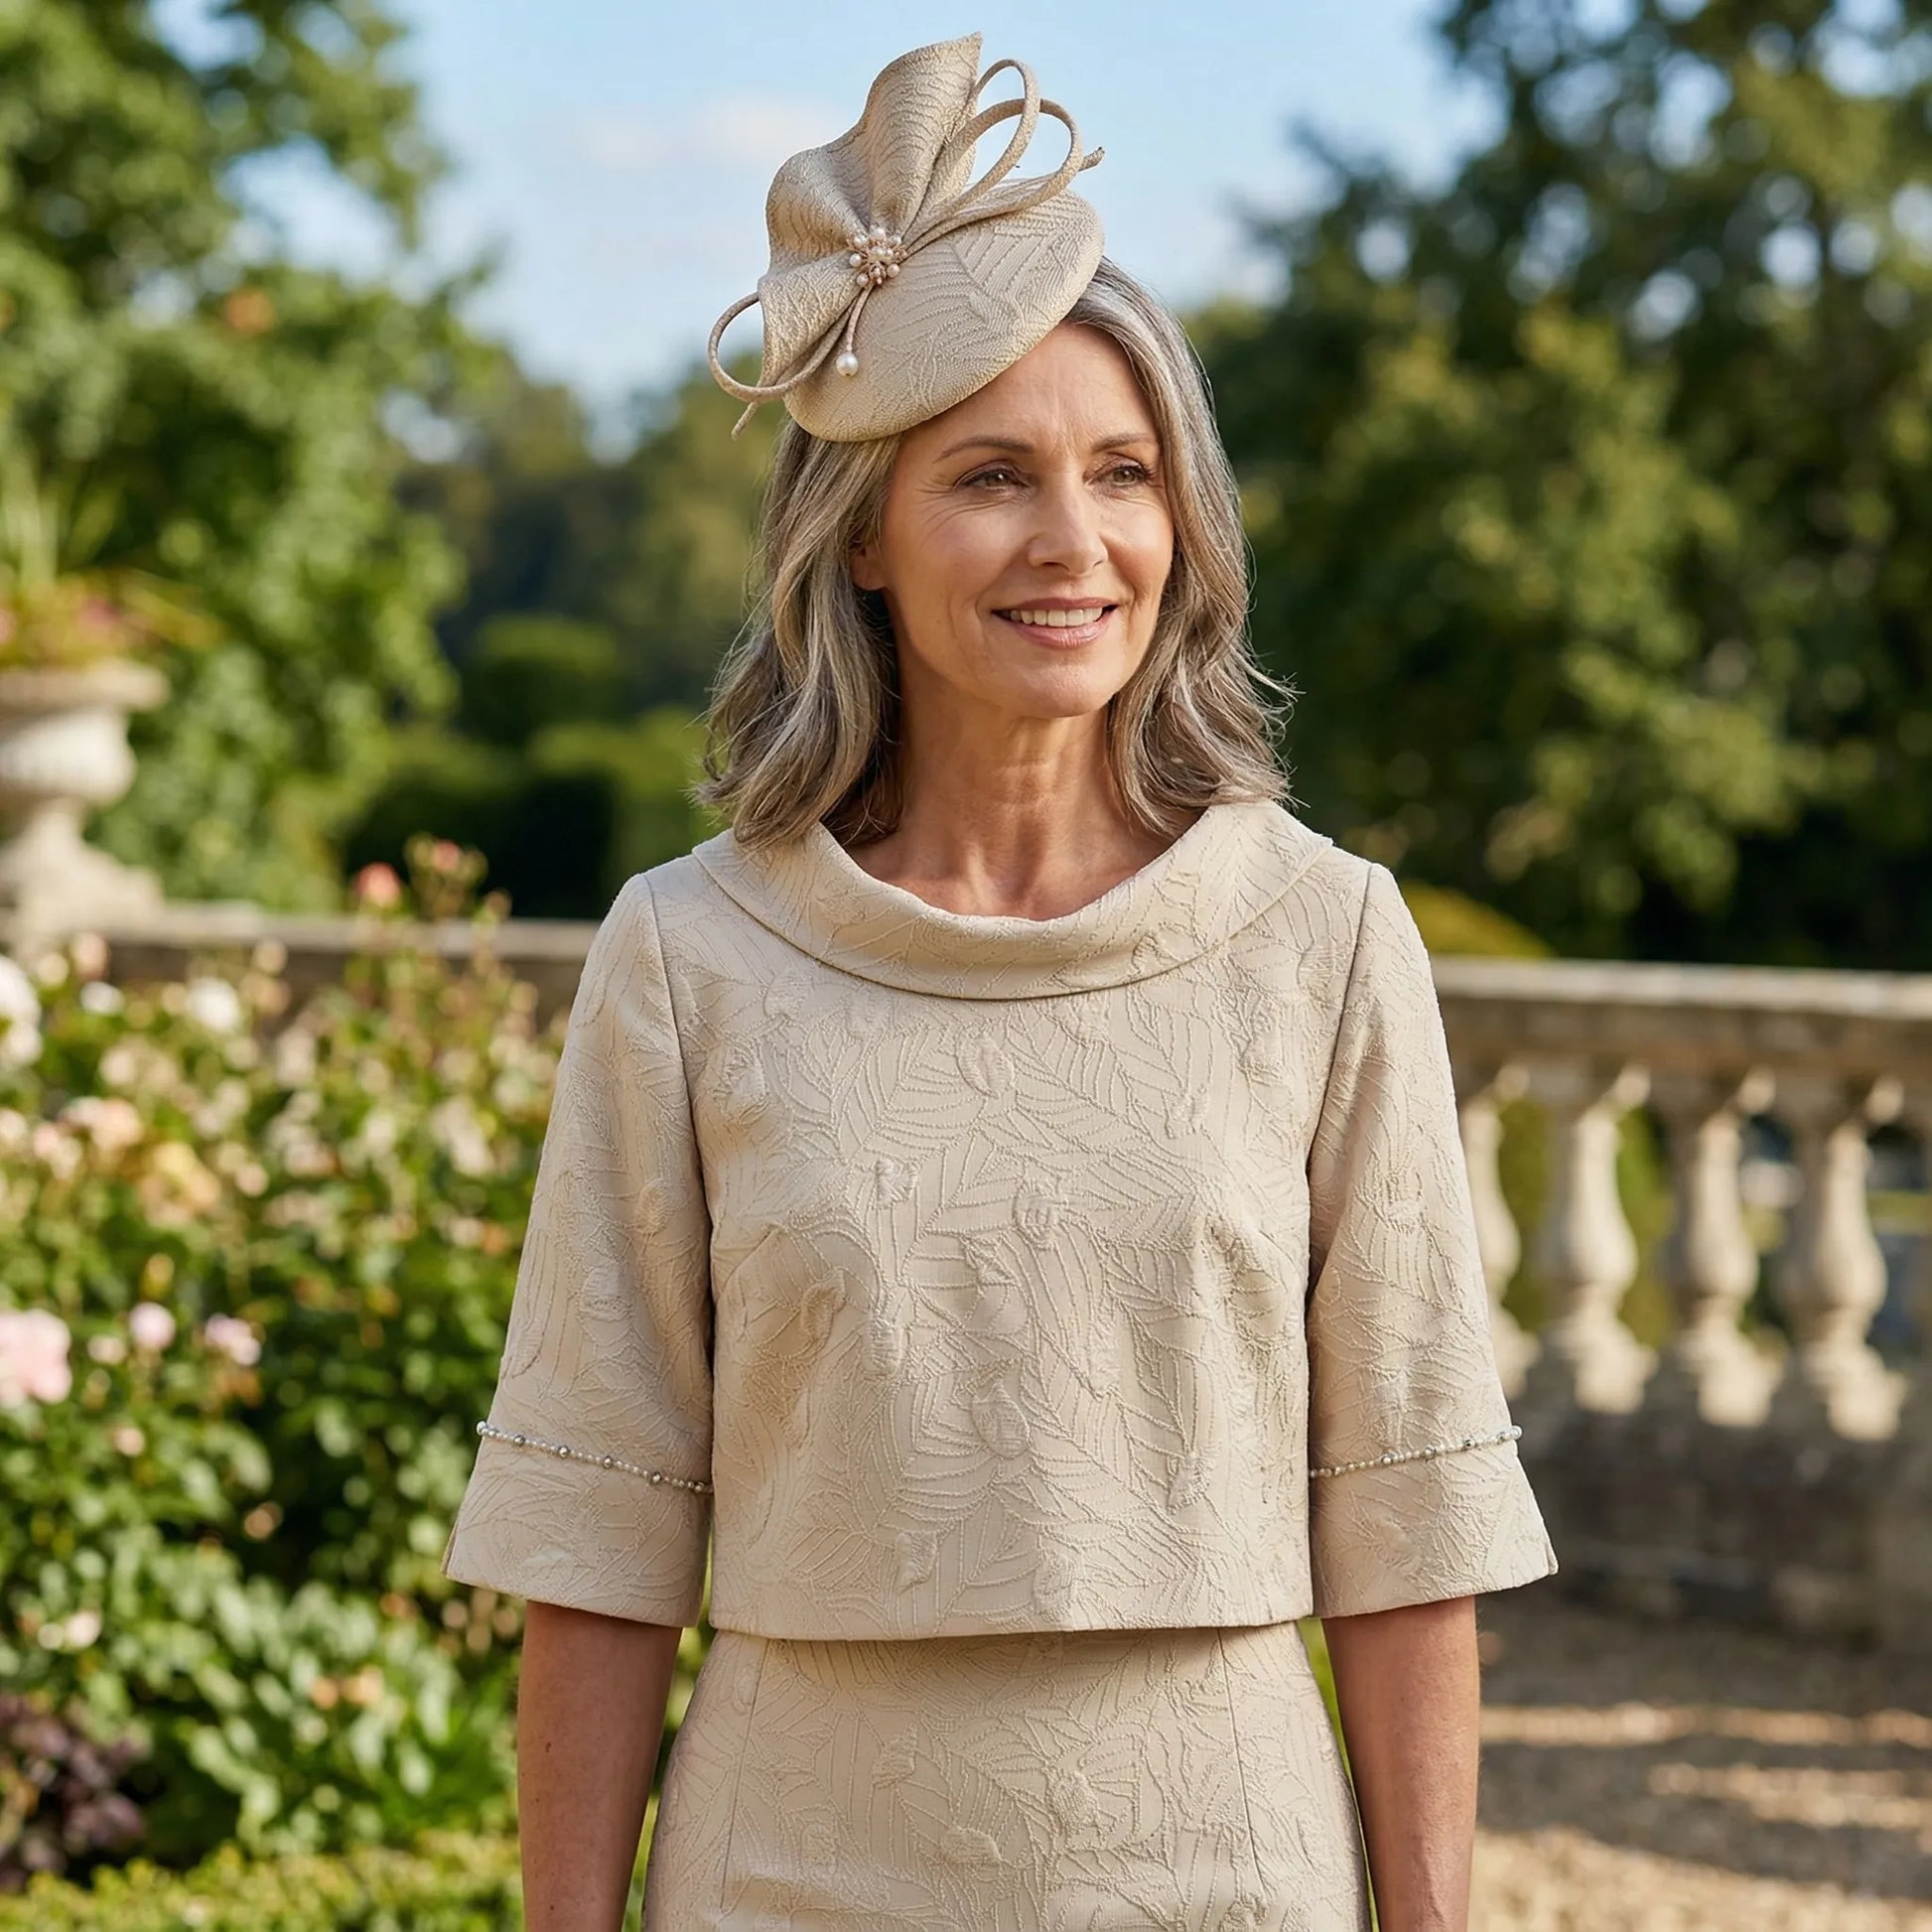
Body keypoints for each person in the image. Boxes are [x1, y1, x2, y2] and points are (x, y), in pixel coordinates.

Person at [442, 32, 1558, 1932]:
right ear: (858, 536)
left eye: (1123, 474)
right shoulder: (690, 956)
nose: (1073, 542)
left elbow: (1405, 1513)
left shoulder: (1323, 940)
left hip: (1227, 1875)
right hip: (787, 1872)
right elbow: (600, 1522)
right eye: (990, 477)